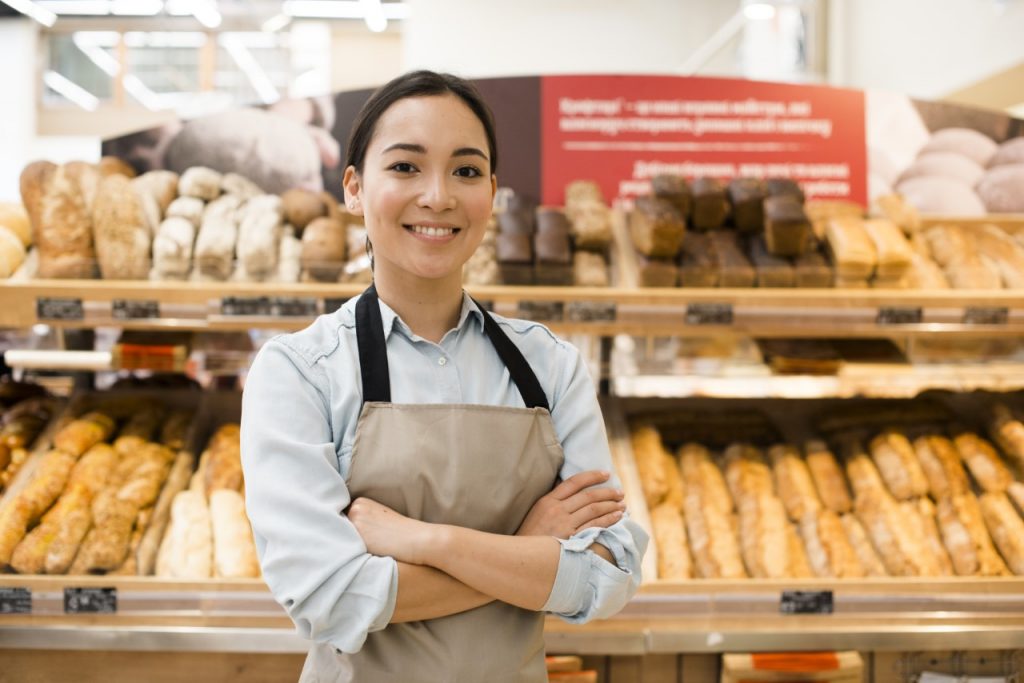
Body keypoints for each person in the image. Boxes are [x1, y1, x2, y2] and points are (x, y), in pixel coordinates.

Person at [240, 70, 647, 683]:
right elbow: (329, 597)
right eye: (405, 167)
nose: (438, 196)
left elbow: (607, 576)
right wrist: (526, 548)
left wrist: (426, 542)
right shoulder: (299, 373)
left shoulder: (550, 366)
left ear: (491, 190)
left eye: (465, 170)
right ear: (353, 188)